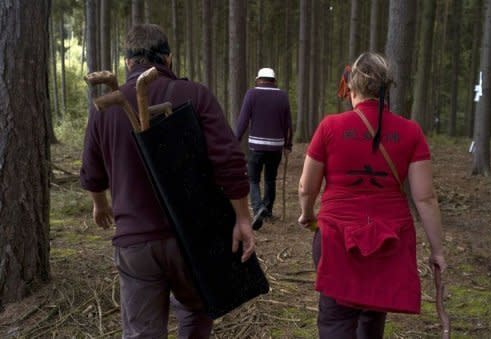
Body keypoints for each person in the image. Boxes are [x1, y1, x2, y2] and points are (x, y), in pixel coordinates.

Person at [80, 24, 255, 339]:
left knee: (142, 333)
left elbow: (93, 173)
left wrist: (100, 204)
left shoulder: (104, 110)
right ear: (168, 58)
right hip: (191, 238)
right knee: (196, 316)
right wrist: (242, 217)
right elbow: (229, 160)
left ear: (127, 63)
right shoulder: (194, 94)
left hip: (136, 243)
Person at [298, 52, 447, 338]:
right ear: (385, 89)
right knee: (372, 315)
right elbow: (425, 198)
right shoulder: (410, 132)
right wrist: (437, 250)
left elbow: (307, 186)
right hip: (390, 238)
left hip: (336, 237)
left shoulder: (330, 127)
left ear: (352, 88)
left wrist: (307, 214)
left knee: (335, 318)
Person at [235, 67, 293, 230]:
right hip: (276, 146)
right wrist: (288, 144)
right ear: (274, 81)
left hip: (256, 146)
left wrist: (235, 141)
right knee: (270, 178)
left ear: (259, 79)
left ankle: (258, 207)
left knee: (253, 179)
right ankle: (266, 210)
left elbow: (243, 121)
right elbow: (288, 124)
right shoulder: (282, 96)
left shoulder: (252, 94)